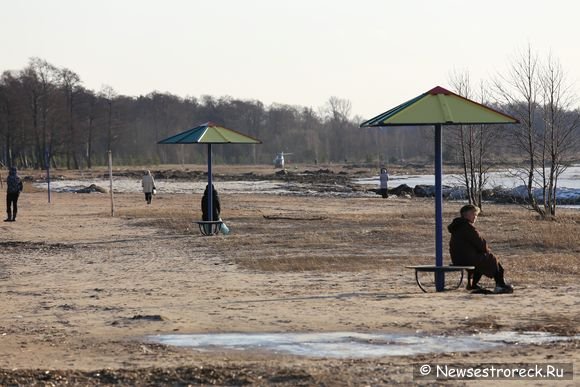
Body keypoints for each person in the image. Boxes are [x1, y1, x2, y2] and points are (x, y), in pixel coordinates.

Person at [448, 204, 513, 294]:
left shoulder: (458, 226)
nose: (475, 217)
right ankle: (500, 284)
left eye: (476, 215)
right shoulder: (467, 227)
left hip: (458, 258)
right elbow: (480, 243)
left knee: (484, 260)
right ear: (465, 215)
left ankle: (474, 284)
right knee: (491, 259)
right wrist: (486, 250)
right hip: (467, 258)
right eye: (473, 214)